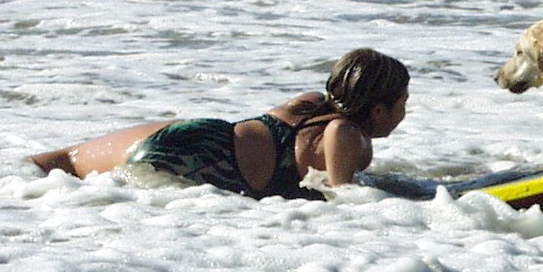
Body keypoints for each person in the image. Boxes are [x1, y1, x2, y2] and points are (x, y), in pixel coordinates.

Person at [30, 49, 409, 201]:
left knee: (64, 162)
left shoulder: (311, 103)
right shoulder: (346, 133)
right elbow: (344, 201)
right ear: (378, 110)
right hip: (210, 161)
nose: (404, 112)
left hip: (199, 135)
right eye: (402, 103)